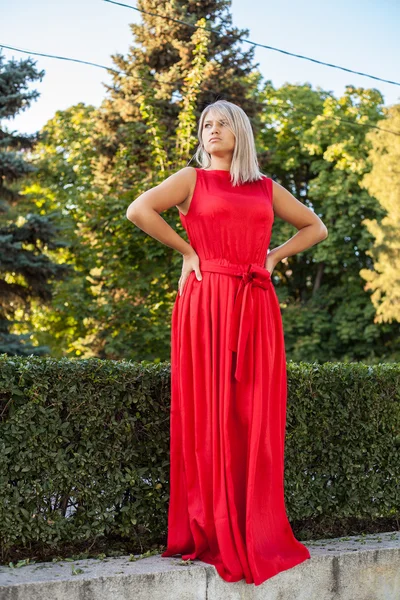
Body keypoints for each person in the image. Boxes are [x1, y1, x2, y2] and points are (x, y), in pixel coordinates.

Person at [126, 99, 328, 586]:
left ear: (240, 131)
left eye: (221, 123)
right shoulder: (191, 179)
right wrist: (188, 250)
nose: (211, 130)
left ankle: (253, 526)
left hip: (255, 302)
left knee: (253, 411)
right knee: (209, 409)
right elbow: (139, 210)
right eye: (206, 125)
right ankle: (211, 527)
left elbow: (315, 227)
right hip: (206, 299)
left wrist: (275, 256)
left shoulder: (265, 187)